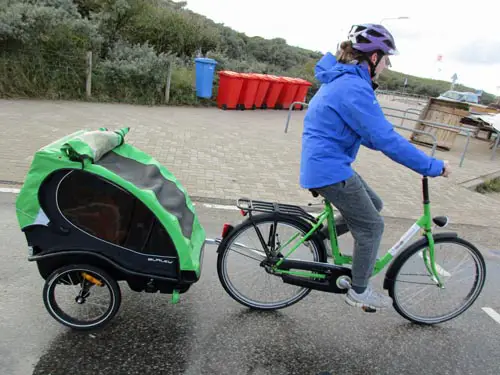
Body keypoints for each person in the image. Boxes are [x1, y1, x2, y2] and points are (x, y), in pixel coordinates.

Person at [299, 23, 451, 311]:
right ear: (373, 57)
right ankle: (358, 291)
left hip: (325, 163)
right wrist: (431, 166)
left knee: (374, 204)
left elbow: (368, 132)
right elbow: (386, 139)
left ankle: (319, 238)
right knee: (371, 227)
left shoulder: (342, 80)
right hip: (329, 168)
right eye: (386, 59)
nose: (386, 66)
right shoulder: (354, 87)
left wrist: (383, 142)